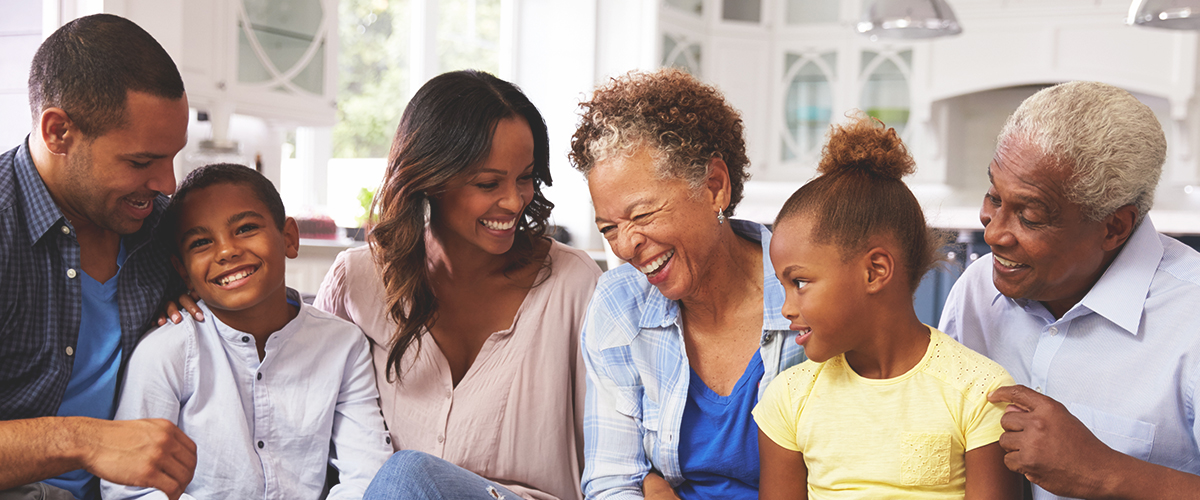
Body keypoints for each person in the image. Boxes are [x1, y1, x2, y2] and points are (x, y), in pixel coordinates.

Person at [315, 70, 601, 500]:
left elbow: (614, 456)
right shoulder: (356, 281)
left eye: (525, 178)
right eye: (488, 183)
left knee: (408, 473)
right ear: (431, 178)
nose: (514, 201)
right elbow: (299, 423)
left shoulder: (574, 285)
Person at [938, 81, 1200, 499]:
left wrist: (1105, 472)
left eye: (1031, 215)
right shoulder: (975, 291)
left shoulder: (1192, 319)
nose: (996, 234)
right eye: (993, 196)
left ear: (1114, 227)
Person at [751, 115, 1021, 499]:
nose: (786, 309)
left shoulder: (979, 392)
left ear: (875, 271)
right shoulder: (788, 399)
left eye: (800, 283)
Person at [570, 68, 805, 500]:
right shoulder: (620, 303)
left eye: (642, 215)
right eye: (608, 228)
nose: (625, 245)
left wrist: (657, 486)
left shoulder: (809, 292)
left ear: (714, 186)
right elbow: (612, 480)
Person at [99, 164, 392, 500]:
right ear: (182, 270)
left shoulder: (343, 345)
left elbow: (367, 474)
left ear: (289, 238)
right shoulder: (167, 351)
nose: (226, 251)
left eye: (246, 228)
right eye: (201, 242)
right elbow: (131, 490)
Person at [0, 14, 196, 500]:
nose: (167, 184)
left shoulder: (165, 229)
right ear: (58, 132)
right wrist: (84, 440)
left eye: (172, 157)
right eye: (140, 162)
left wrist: (210, 294)